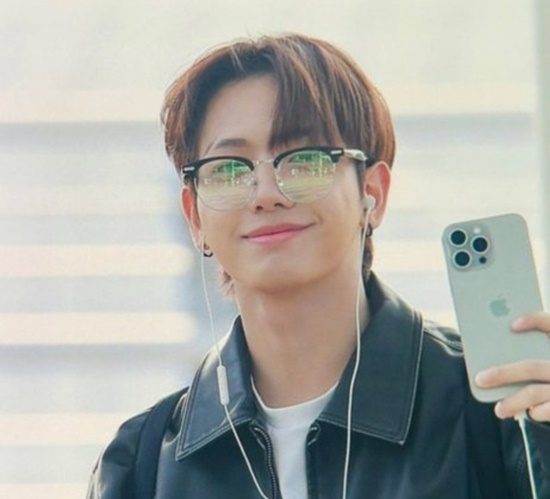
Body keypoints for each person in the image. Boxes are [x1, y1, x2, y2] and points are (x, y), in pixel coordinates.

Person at [87, 33, 550, 499]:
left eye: (304, 162)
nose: (266, 193)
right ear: (194, 217)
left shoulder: (502, 410)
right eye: (228, 169)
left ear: (373, 192)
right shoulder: (143, 464)